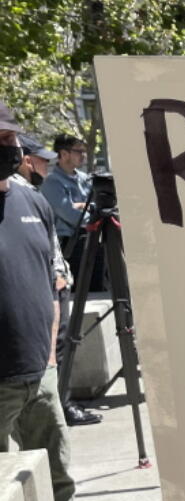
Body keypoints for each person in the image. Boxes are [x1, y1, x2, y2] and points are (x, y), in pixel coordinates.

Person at [0, 104, 119, 501]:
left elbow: (54, 278)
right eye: (0, 138)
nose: (10, 147)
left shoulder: (32, 203)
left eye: (10, 138)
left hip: (39, 375)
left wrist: (49, 353)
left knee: (57, 477)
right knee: (6, 494)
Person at [15, 136, 102, 427]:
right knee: (55, 346)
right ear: (27, 161)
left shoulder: (33, 193)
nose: (45, 165)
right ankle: (60, 406)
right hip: (49, 276)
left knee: (60, 343)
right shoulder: (27, 193)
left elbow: (94, 210)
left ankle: (61, 406)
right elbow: (69, 214)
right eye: (41, 159)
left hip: (57, 277)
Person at [41, 134, 91, 281]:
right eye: (79, 151)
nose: (83, 155)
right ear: (63, 154)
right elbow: (71, 215)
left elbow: (98, 205)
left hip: (92, 239)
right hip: (71, 245)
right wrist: (90, 210)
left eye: (84, 151)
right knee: (81, 292)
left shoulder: (85, 178)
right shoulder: (52, 182)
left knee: (97, 289)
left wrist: (84, 206)